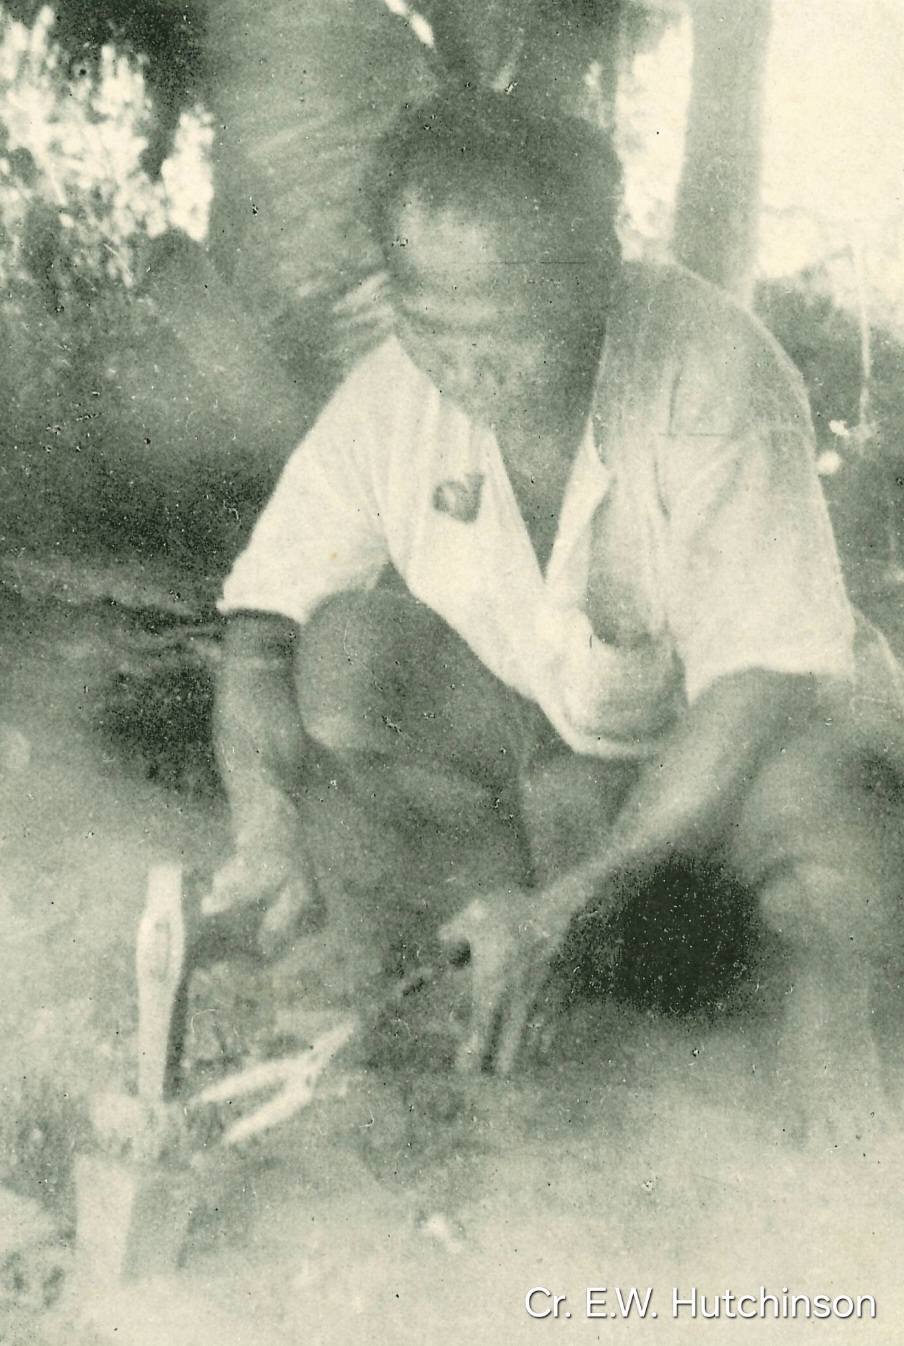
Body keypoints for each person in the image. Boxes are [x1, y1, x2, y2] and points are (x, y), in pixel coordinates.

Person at [208, 92, 904, 1148]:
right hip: (571, 775)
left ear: (596, 275)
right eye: (430, 326)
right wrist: (264, 826)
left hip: (754, 770)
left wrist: (573, 900)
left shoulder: (712, 370)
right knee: (345, 649)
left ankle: (825, 1035)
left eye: (510, 330)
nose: (468, 370)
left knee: (839, 806)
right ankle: (486, 954)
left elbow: (761, 684)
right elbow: (262, 631)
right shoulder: (393, 397)